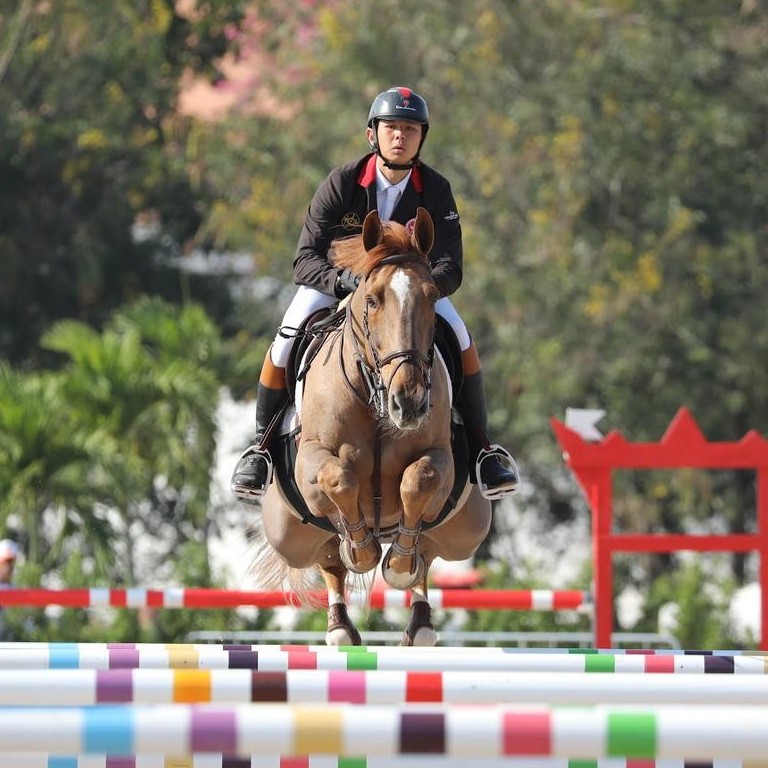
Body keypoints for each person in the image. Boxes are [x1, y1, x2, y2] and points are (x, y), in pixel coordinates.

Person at [232, 86, 519, 502]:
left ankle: (482, 449)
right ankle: (261, 448)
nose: (400, 136)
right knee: (286, 337)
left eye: (409, 129)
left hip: (410, 293)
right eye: (391, 128)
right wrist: (346, 283)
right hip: (339, 287)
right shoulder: (342, 183)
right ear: (373, 135)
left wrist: (421, 291)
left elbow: (452, 265)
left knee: (460, 336)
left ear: (421, 138)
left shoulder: (436, 190)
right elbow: (304, 260)